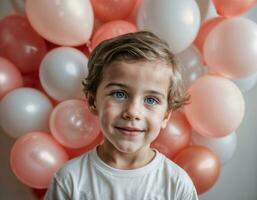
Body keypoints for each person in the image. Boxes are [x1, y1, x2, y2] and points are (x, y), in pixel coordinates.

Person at [44, 31, 199, 200]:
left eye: (151, 100)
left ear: (166, 116)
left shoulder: (177, 185)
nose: (133, 112)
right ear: (93, 101)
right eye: (119, 94)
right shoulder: (70, 180)